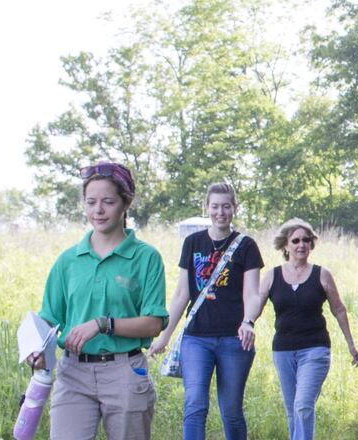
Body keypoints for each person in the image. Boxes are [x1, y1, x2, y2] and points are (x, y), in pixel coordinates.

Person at [26, 161, 169, 440]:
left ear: (125, 203)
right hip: (73, 374)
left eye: (108, 201)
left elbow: (153, 324)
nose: (98, 210)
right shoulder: (67, 260)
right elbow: (49, 318)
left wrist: (103, 324)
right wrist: (37, 348)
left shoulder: (146, 257)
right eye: (91, 202)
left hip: (125, 372)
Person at [148, 182, 264, 440]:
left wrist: (248, 321)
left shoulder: (247, 246)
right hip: (196, 337)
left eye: (226, 206)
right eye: (215, 206)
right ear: (207, 208)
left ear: (234, 207)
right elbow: (182, 294)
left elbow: (252, 294)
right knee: (194, 406)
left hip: (234, 339)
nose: (220, 212)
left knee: (231, 411)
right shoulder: (192, 243)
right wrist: (164, 337)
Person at [257, 218, 358, 440]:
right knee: (292, 411)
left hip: (315, 349)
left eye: (306, 240)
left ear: (312, 244)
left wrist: (351, 345)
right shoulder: (272, 275)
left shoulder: (322, 274)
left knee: (303, 405)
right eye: (295, 240)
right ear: (285, 245)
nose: (301, 245)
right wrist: (245, 325)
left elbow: (339, 310)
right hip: (283, 350)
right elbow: (255, 305)